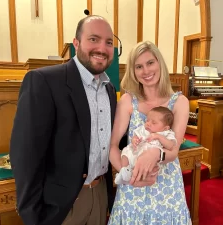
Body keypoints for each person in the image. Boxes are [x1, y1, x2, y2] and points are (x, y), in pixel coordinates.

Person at [10, 15, 118, 225]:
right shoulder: (44, 81)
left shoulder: (110, 89)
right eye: (93, 39)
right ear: (75, 43)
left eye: (109, 42)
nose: (102, 48)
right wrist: (31, 213)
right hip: (61, 204)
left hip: (100, 195)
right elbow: (25, 152)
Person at [108, 41, 191, 224]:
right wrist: (126, 174)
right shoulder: (129, 101)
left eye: (150, 63)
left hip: (166, 186)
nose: (146, 71)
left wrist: (156, 153)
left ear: (159, 63)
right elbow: (112, 145)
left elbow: (173, 150)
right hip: (133, 185)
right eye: (139, 66)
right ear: (133, 71)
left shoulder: (179, 102)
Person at [114, 106, 177, 185]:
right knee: (125, 152)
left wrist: (158, 137)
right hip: (136, 152)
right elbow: (135, 136)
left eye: (153, 122)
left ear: (165, 128)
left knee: (151, 168)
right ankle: (124, 171)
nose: (148, 124)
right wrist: (135, 140)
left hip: (150, 159)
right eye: (147, 120)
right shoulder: (143, 129)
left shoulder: (166, 133)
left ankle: (136, 176)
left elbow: (171, 146)